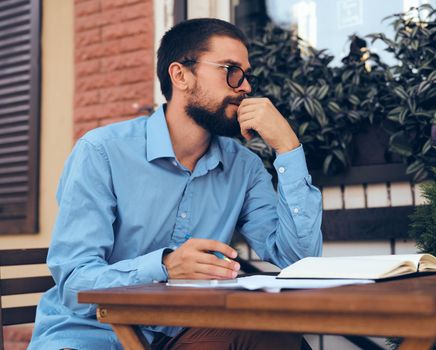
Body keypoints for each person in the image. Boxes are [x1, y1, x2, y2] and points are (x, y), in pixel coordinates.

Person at [28, 18, 322, 350]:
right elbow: (74, 285)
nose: (245, 87)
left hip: (184, 333)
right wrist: (166, 265)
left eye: (245, 74)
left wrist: (288, 147)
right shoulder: (102, 152)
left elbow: (299, 261)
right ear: (180, 75)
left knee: (275, 335)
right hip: (94, 336)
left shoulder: (245, 167)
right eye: (231, 70)